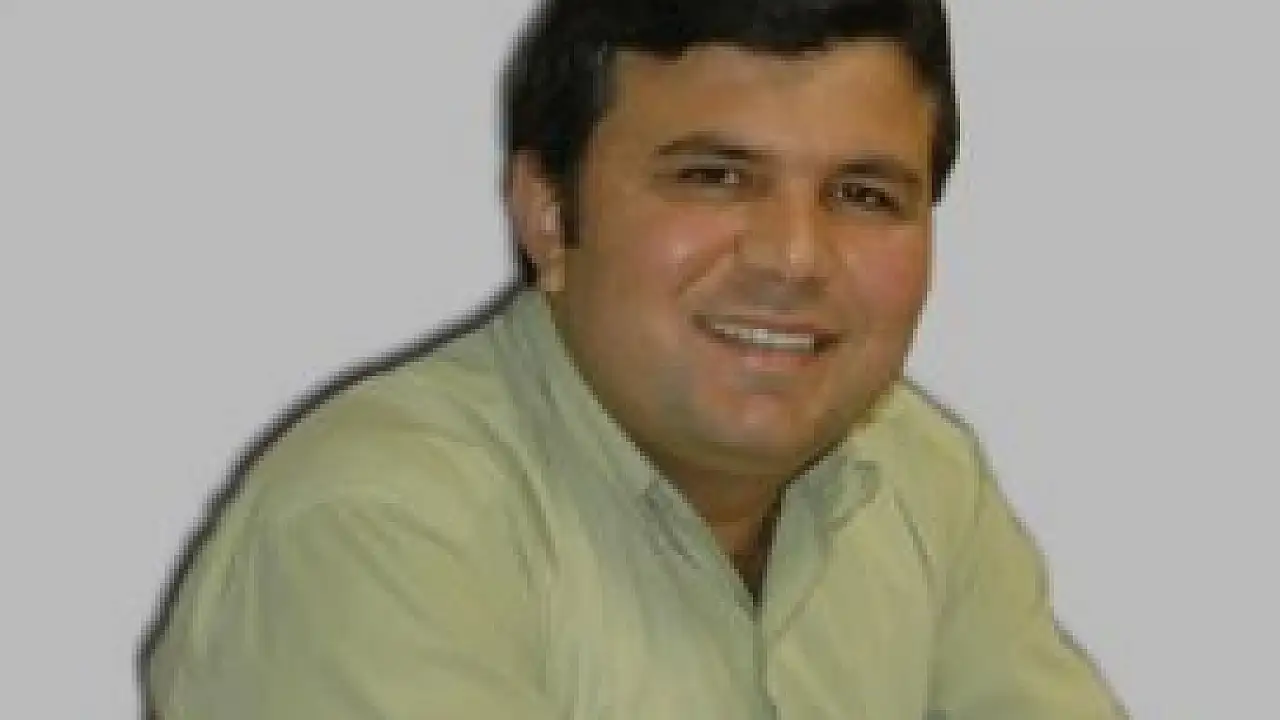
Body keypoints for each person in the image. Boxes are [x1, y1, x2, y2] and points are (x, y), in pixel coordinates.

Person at [143, 0, 1129, 717]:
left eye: (863, 195)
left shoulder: (920, 475)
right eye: (715, 177)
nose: (794, 257)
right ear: (547, 214)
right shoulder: (378, 525)